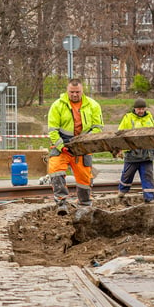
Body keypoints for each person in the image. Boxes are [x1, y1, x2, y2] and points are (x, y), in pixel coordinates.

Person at [46, 79, 104, 215]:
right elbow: (52, 130)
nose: (75, 95)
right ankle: (61, 202)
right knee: (55, 170)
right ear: (67, 91)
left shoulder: (93, 105)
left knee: (84, 177)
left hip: (83, 146)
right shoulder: (57, 106)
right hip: (63, 145)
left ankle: (84, 205)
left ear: (82, 91)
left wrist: (85, 141)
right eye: (72, 92)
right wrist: (61, 146)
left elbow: (98, 127)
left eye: (77, 92)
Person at [117, 98, 154, 203]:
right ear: (134, 109)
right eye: (139, 109)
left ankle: (149, 197)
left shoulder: (149, 118)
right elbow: (120, 133)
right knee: (127, 174)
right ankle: (122, 191)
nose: (141, 111)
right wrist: (119, 148)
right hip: (132, 153)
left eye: (143, 109)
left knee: (147, 175)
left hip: (147, 153)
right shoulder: (128, 118)